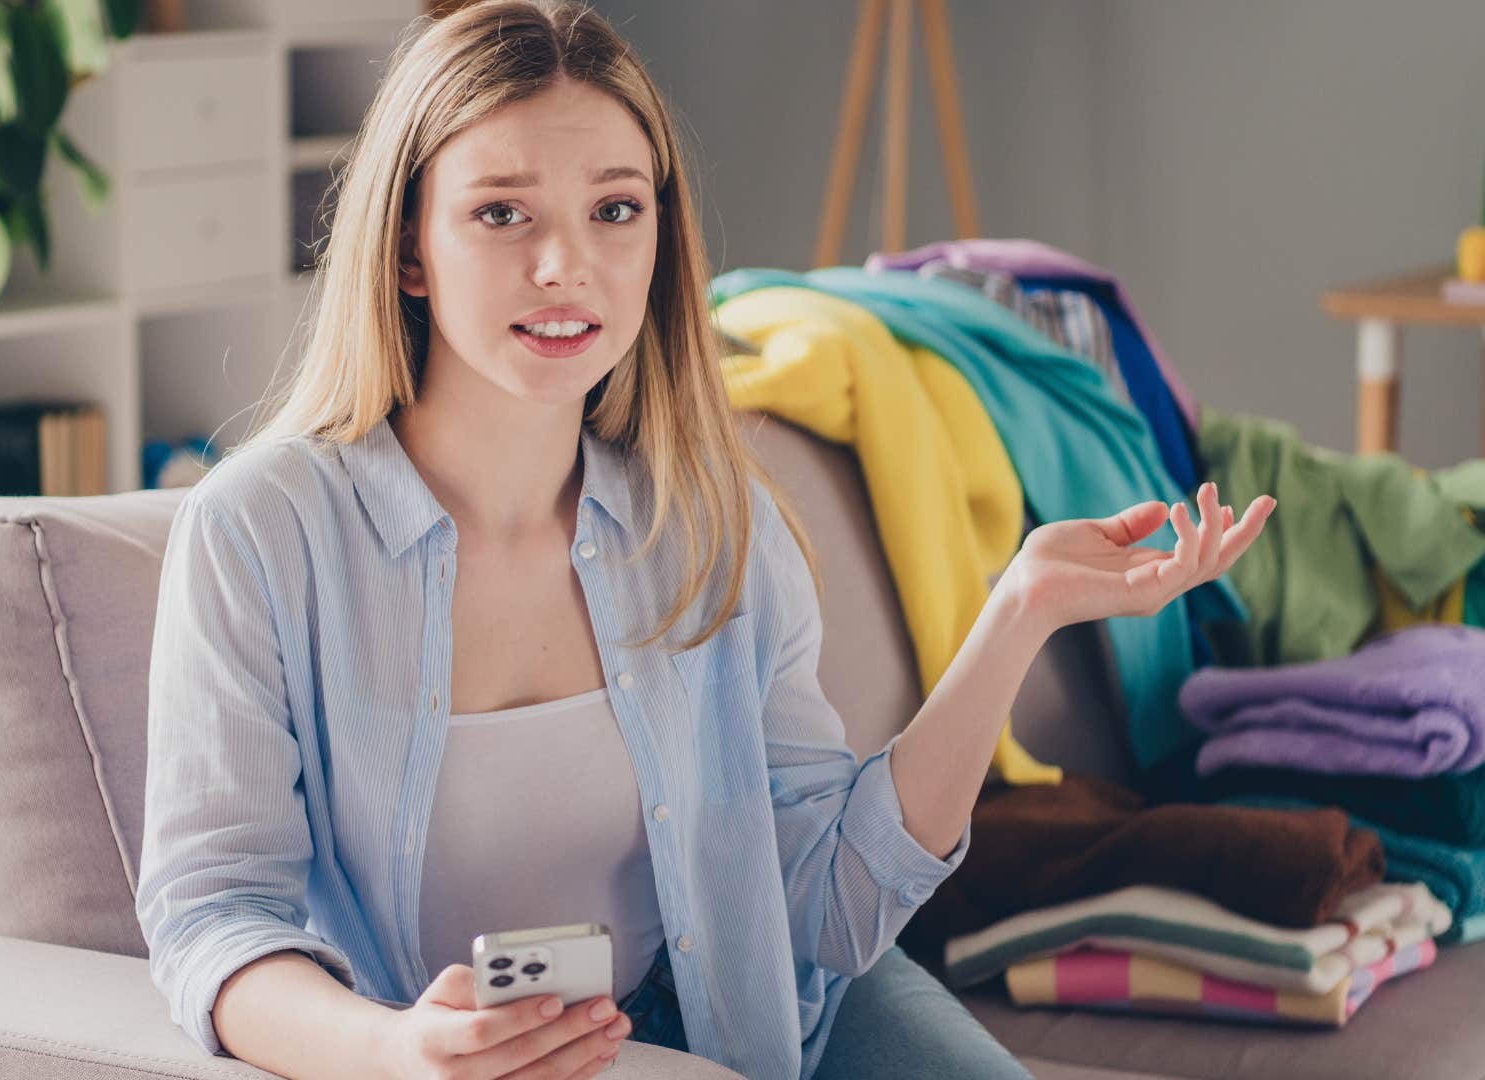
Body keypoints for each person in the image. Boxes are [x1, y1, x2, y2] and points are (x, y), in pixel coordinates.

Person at [134, 2, 1275, 1078]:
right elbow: (212, 916)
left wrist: (1020, 610)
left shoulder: (713, 524)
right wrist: (390, 1052)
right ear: (407, 250)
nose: (565, 263)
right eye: (501, 212)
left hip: (774, 1016)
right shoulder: (262, 533)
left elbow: (828, 905)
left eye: (615, 209)